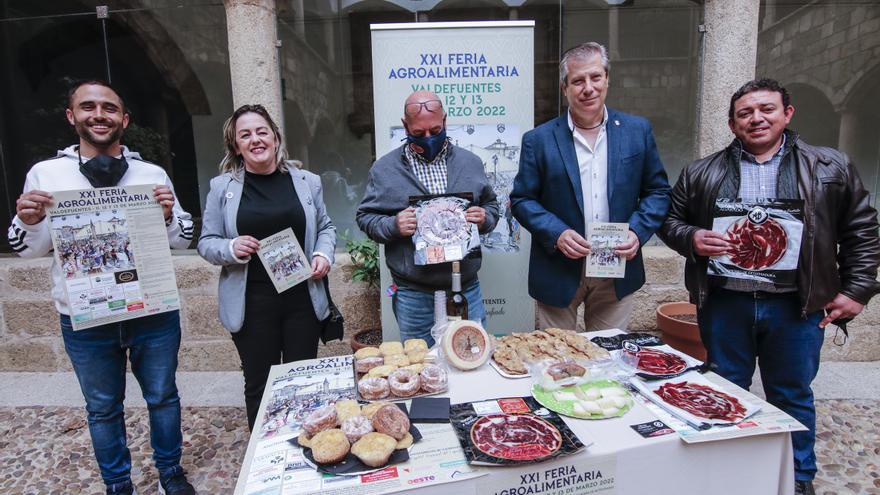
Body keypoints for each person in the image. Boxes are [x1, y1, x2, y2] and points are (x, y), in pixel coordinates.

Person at [658, 78, 880, 495]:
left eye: (766, 109)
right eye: (745, 113)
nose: (756, 118)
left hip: (794, 306)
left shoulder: (830, 166)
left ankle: (796, 479)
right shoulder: (702, 171)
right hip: (726, 303)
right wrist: (691, 238)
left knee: (791, 394)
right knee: (723, 391)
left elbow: (862, 230)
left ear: (787, 114)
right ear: (732, 123)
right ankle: (728, 472)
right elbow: (670, 221)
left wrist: (856, 290)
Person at [6, 80, 195, 495]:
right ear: (71, 116)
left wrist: (165, 215)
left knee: (163, 397)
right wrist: (29, 221)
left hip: (153, 311)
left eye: (109, 108)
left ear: (123, 120)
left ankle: (171, 472)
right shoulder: (45, 174)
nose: (99, 114)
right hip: (85, 317)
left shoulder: (151, 173)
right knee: (102, 408)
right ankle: (117, 483)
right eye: (88, 107)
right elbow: (28, 251)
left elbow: (182, 237)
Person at [510, 42, 670, 332]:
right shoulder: (538, 140)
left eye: (595, 77)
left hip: (617, 267)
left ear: (607, 79)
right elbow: (522, 199)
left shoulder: (638, 131)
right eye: (578, 81)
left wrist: (637, 231)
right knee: (558, 363)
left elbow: (657, 192)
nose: (588, 88)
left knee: (609, 360)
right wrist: (556, 233)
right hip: (558, 267)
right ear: (565, 88)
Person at [197, 104, 336, 431]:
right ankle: (265, 457)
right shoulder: (223, 188)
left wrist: (323, 255)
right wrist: (230, 248)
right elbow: (207, 241)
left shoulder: (307, 181)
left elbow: (327, 227)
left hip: (302, 299)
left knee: (302, 381)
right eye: (245, 134)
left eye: (262, 131)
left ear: (275, 137)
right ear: (236, 145)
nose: (255, 139)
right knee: (259, 383)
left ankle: (303, 447)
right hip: (252, 303)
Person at [356, 90, 499, 346]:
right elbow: (365, 217)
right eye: (419, 133)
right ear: (405, 126)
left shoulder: (471, 162)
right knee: (422, 369)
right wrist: (393, 225)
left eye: (435, 130)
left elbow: (491, 204)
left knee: (473, 360)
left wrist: (485, 218)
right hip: (414, 293)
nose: (429, 138)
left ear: (445, 120)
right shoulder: (384, 169)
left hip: (465, 288)